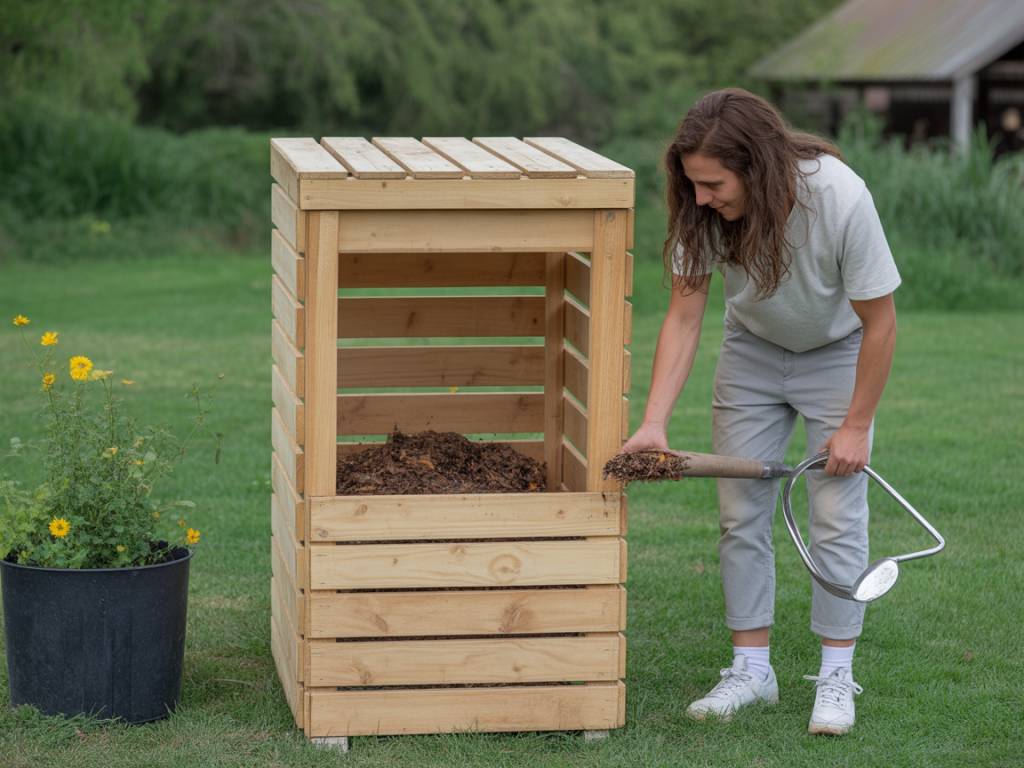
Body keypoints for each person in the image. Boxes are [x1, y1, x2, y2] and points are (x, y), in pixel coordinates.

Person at [622, 88, 900, 735]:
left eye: (713, 183)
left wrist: (855, 425)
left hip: (837, 351)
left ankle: (835, 674)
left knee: (835, 514)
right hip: (751, 352)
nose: (700, 198)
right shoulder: (701, 210)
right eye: (692, 183)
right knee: (738, 512)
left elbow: (881, 324)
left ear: (756, 167)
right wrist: (655, 421)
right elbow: (687, 313)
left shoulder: (839, 196)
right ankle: (752, 670)